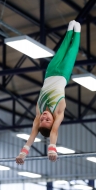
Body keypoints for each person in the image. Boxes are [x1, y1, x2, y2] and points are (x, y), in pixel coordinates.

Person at [16, 20, 81, 164]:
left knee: (61, 50)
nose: (44, 117)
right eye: (48, 120)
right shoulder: (58, 112)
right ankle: (77, 32)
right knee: (71, 51)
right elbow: (54, 131)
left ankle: (69, 31)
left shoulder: (38, 114)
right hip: (63, 73)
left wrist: (23, 154)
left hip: (50, 73)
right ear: (53, 122)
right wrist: (52, 148)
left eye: (42, 120)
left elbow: (32, 135)